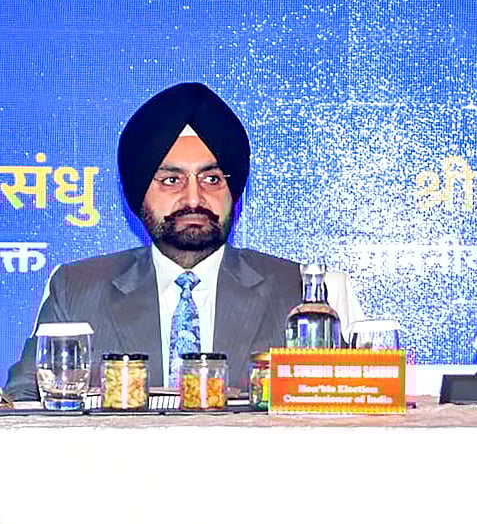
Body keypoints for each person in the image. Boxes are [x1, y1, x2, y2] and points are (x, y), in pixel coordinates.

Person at [4, 82, 360, 401]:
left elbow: (345, 405)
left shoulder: (301, 292)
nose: (194, 198)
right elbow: (24, 403)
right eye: (171, 180)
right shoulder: (77, 288)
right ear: (139, 194)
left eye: (211, 179)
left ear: (233, 193)